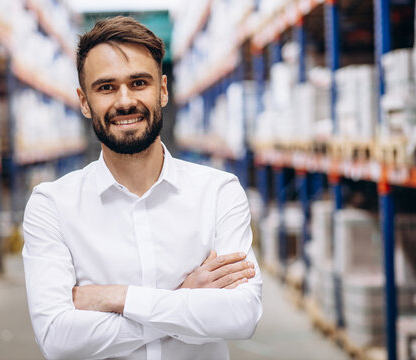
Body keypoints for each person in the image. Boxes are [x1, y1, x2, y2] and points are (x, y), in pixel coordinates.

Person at [22, 16, 262, 360]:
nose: (124, 101)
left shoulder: (218, 193)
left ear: (162, 90)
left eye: (139, 83)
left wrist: (118, 297)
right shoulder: (52, 206)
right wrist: (183, 298)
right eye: (106, 87)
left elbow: (241, 317)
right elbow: (58, 339)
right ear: (84, 101)